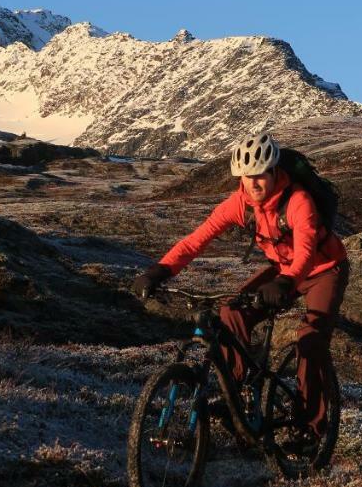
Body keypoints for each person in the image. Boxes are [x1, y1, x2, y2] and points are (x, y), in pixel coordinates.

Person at [130, 132, 349, 442]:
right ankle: (236, 395)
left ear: (274, 172)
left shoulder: (298, 202)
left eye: (260, 175)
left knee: (311, 341)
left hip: (324, 269)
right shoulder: (239, 204)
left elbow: (306, 253)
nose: (253, 183)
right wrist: (159, 270)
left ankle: (310, 430)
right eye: (246, 177)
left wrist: (286, 282)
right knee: (230, 314)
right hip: (284, 271)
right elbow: (196, 241)